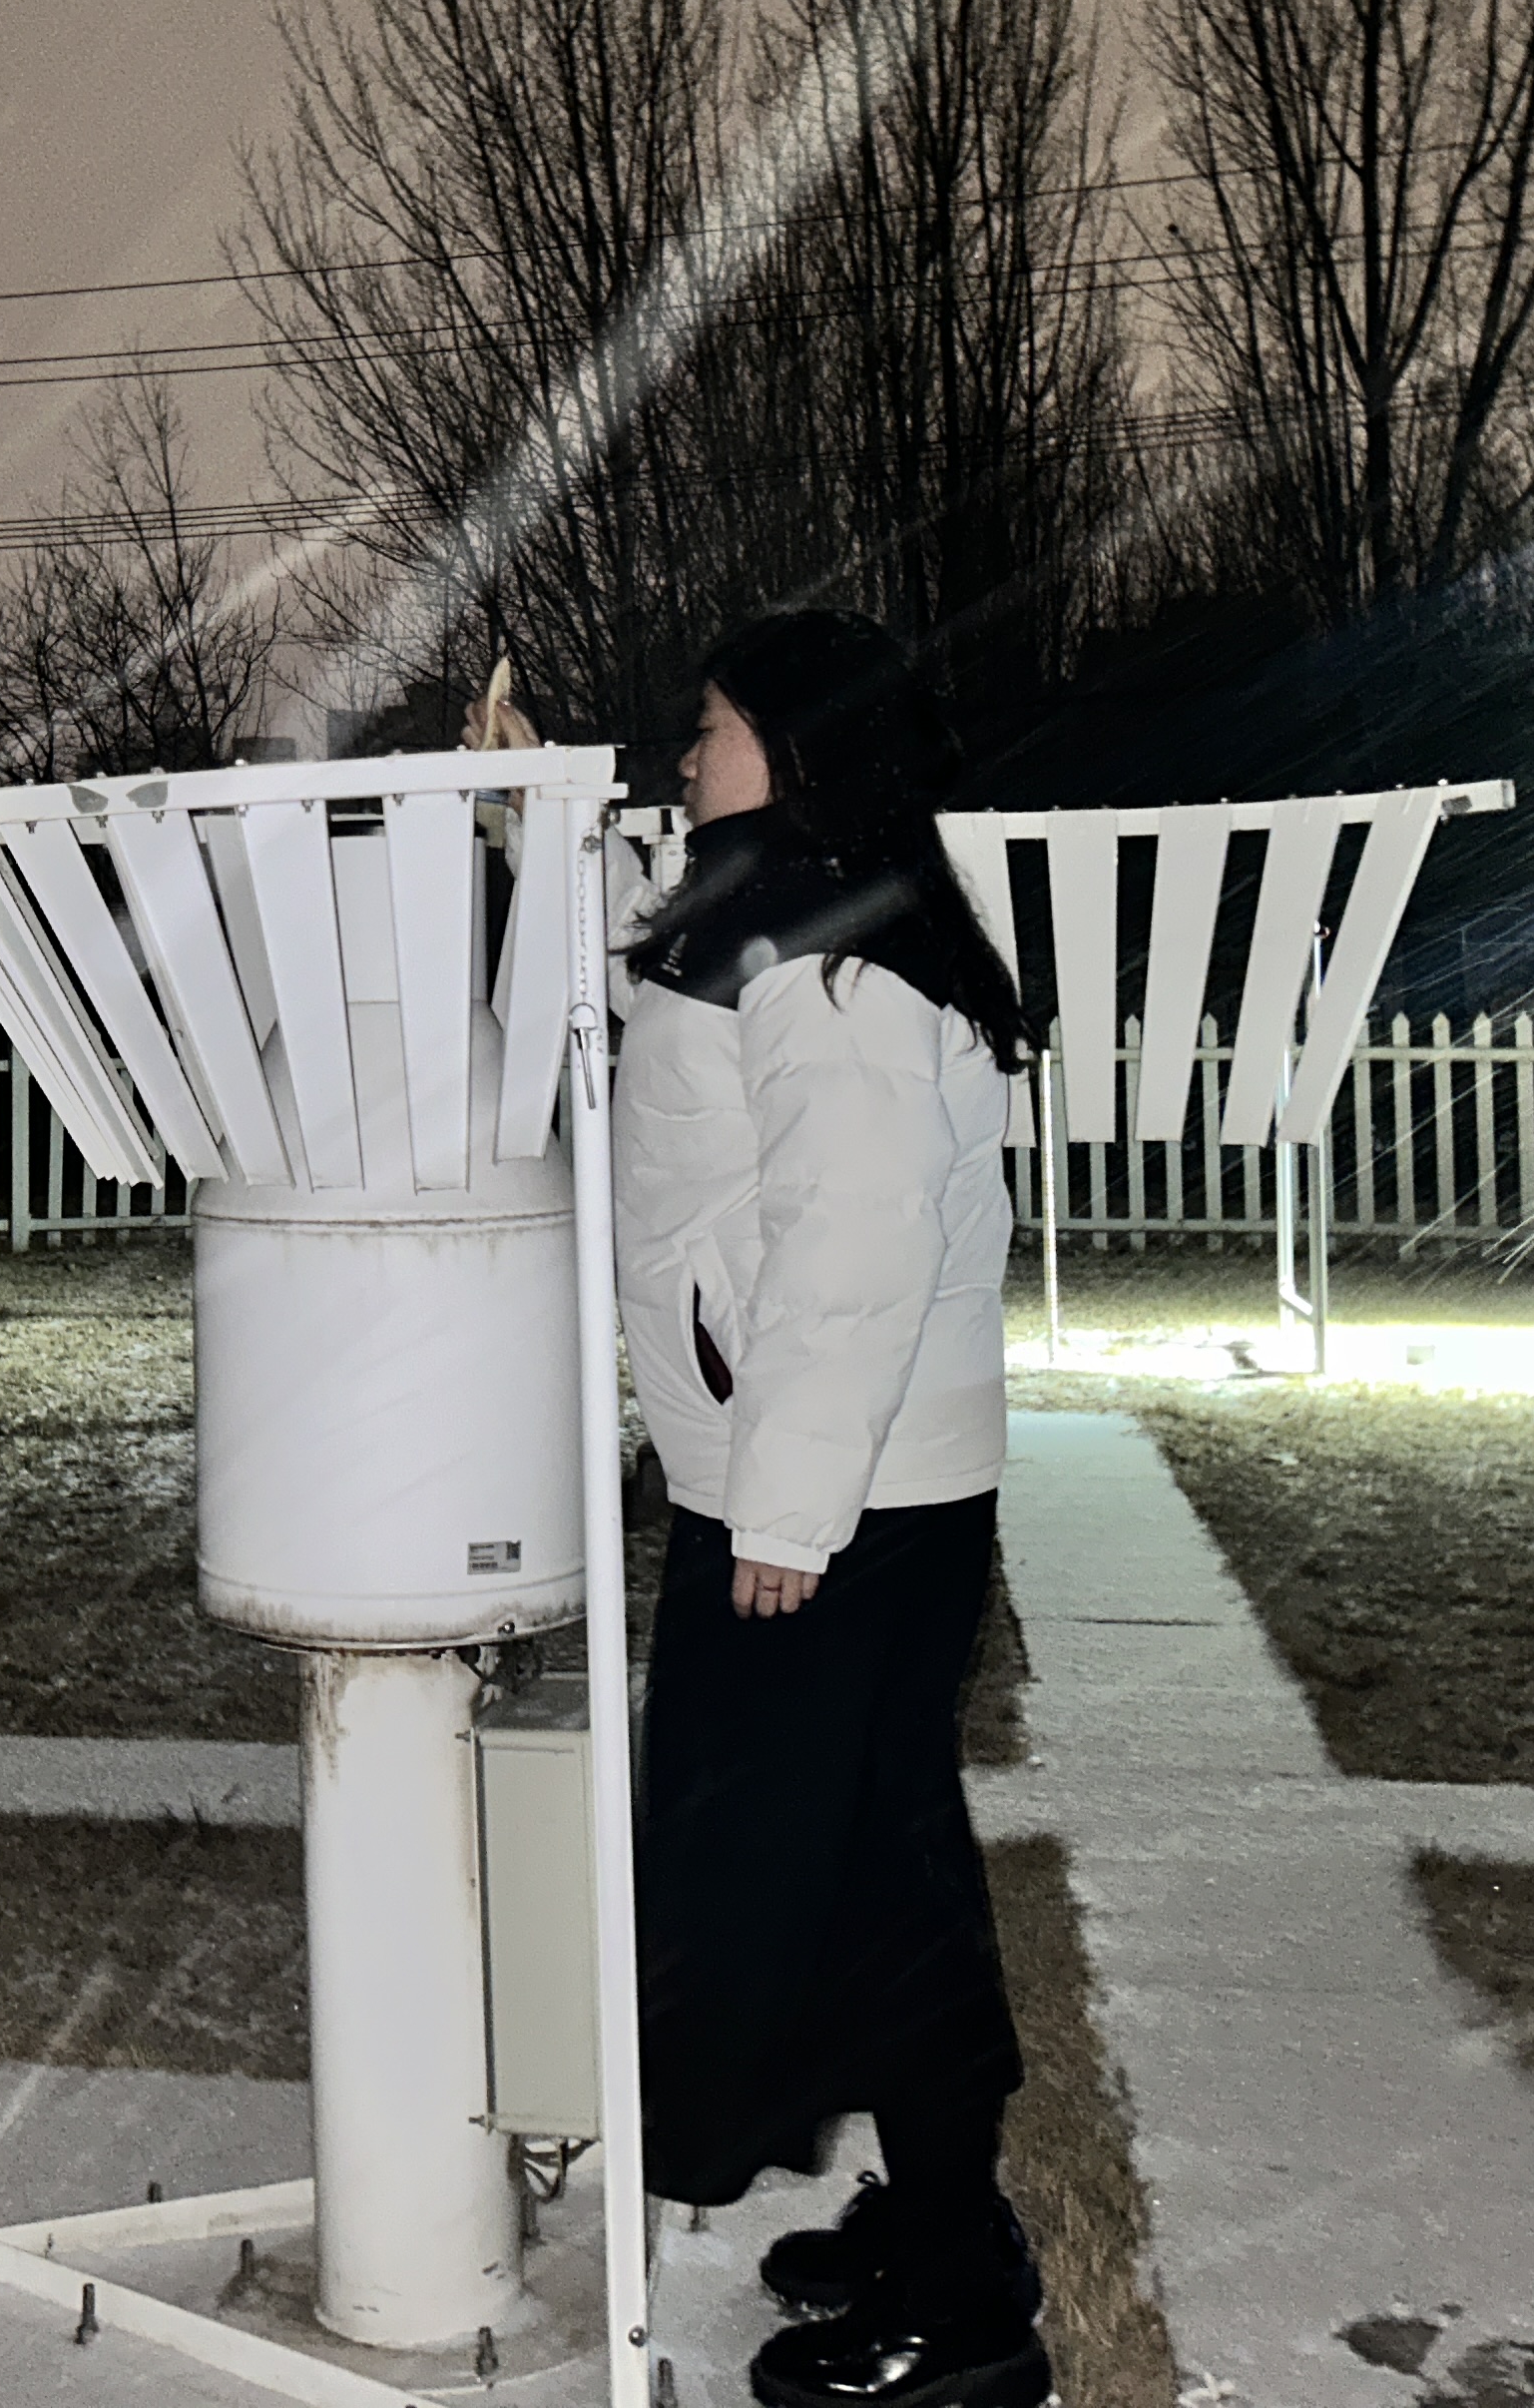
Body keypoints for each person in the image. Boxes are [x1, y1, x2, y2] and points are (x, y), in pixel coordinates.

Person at [607, 611, 1051, 2408]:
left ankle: (964, 2309)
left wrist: (784, 1517)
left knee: (868, 1887)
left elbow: (850, 1253)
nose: (688, 752)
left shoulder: (835, 962)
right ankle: (940, 2225)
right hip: (839, 1495)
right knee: (856, 1867)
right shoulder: (792, 914)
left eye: (715, 725)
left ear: (798, 745)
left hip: (837, 1511)